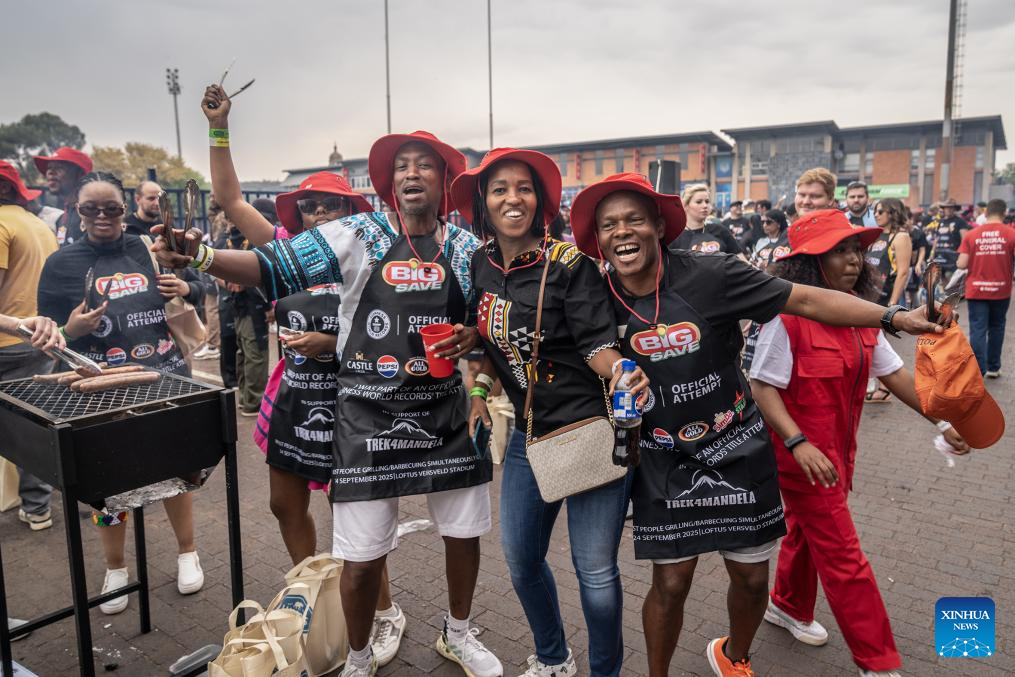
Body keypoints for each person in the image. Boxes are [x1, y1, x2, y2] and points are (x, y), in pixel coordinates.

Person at [568, 178, 950, 677]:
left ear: (659, 226)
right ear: (598, 239)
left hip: (736, 443)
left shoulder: (714, 274)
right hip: (664, 454)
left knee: (750, 580)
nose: (622, 231)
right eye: (609, 225)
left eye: (634, 219)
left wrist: (894, 318)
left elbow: (806, 301)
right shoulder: (597, 291)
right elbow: (590, 346)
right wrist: (616, 369)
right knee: (672, 582)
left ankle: (735, 658)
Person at [154, 129, 502, 677]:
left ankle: (457, 635)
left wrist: (475, 355)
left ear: (443, 181)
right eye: (402, 166)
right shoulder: (357, 234)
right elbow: (271, 265)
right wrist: (199, 255)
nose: (412, 173)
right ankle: (358, 659)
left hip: (445, 416)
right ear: (389, 183)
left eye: (424, 165)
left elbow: (488, 327)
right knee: (359, 562)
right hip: (366, 417)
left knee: (463, 535)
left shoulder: (466, 249)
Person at [199, 83, 406, 666]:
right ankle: (314, 596)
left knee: (356, 519)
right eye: (310, 206)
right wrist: (218, 127)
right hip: (291, 399)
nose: (319, 214)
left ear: (350, 214)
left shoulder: (374, 260)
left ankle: (385, 611)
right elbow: (229, 198)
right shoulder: (284, 248)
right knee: (283, 505)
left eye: (330, 206)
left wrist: (330, 344)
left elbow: (393, 334)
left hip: (355, 403)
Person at [748, 209, 968, 677]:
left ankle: (786, 604)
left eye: (856, 251)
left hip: (838, 453)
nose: (854, 260)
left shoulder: (862, 316)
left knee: (807, 531)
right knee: (844, 557)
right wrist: (798, 442)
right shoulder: (785, 319)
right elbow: (762, 386)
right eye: (839, 251)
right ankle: (878, 661)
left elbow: (896, 375)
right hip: (801, 458)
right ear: (809, 263)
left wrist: (941, 420)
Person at [453, 150, 648, 677]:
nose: (512, 198)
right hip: (527, 436)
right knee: (520, 559)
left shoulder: (569, 265)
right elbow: (491, 346)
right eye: (499, 189)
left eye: (524, 188)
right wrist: (480, 391)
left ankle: (605, 672)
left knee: (595, 573)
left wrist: (620, 371)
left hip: (589, 433)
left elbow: (595, 344)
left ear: (540, 200)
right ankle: (554, 657)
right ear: (483, 202)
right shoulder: (479, 264)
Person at [37, 172, 206, 615]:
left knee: (176, 469)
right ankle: (116, 567)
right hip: (101, 390)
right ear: (77, 212)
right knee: (107, 482)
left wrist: (185, 287)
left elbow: (199, 285)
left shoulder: (146, 248)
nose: (102, 216)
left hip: (165, 377)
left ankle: (187, 552)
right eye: (90, 208)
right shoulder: (60, 264)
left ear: (124, 210)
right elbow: (47, 335)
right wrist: (72, 329)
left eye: (111, 208)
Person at [0, 160, 58, 530]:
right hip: (41, 338)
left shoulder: (1, 225)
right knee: (34, 423)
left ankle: (35, 505)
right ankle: (38, 506)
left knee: (20, 427)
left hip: (7, 342)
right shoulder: (37, 225)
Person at [957, 198, 1015, 377]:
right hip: (1001, 290)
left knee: (978, 329)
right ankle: (993, 367)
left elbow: (961, 263)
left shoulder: (971, 235)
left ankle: (978, 370)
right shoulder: (1011, 234)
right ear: (1004, 213)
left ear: (986, 212)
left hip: (976, 290)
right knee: (997, 327)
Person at [32, 146, 92, 246]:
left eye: (59, 167)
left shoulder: (91, 215)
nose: (50, 172)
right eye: (49, 168)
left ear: (80, 175)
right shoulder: (63, 216)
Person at [675, 184, 742, 256]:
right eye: (699, 202)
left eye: (707, 201)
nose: (705, 205)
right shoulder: (675, 236)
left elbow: (740, 258)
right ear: (685, 206)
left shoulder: (720, 230)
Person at [928, 198, 970, 284]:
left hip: (953, 257)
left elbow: (965, 239)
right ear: (944, 209)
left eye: (951, 207)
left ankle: (951, 292)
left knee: (951, 278)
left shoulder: (960, 222)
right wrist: (932, 253)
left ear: (954, 209)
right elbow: (936, 239)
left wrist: (962, 255)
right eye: (947, 207)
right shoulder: (940, 222)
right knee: (941, 278)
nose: (949, 209)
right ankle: (945, 293)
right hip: (939, 255)